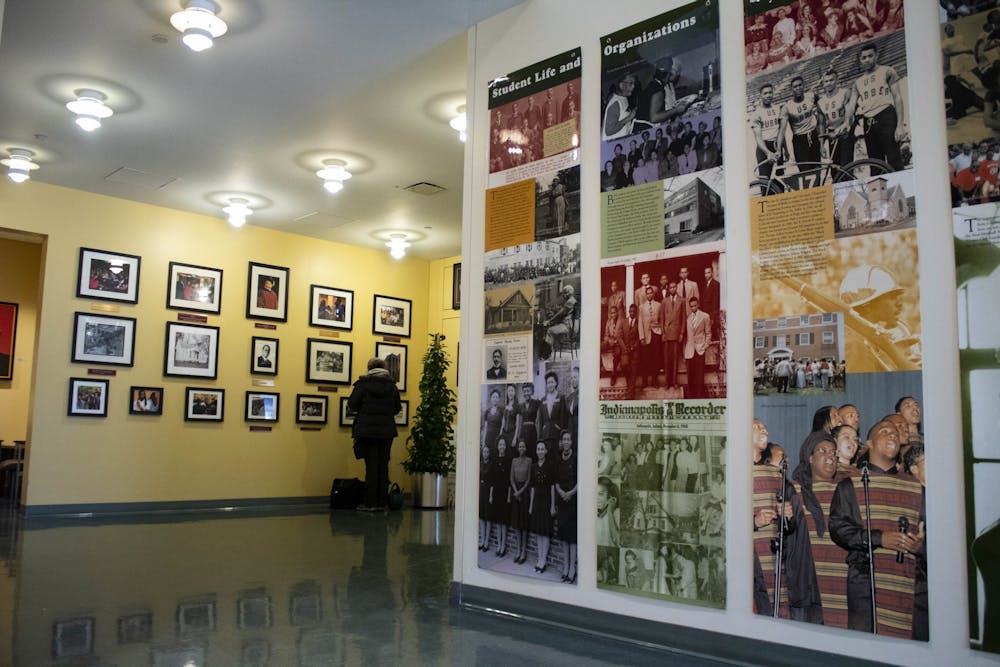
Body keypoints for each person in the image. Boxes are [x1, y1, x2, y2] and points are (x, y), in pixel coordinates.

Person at [829, 419, 924, 636]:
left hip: (911, 587)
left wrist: (921, 547)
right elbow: (839, 529)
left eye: (894, 433)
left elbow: (937, 536)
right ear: (869, 444)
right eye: (884, 431)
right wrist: (880, 539)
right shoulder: (850, 484)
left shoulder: (915, 486)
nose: (891, 435)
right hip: (866, 585)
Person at [789, 436, 846, 627]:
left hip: (842, 583)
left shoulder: (847, 490)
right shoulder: (795, 491)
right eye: (822, 451)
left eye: (833, 452)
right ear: (810, 458)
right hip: (809, 589)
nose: (830, 456)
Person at [347, 357, 402, 512]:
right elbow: (397, 408)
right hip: (387, 431)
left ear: (369, 368)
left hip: (367, 431)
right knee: (383, 465)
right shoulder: (392, 387)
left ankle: (370, 503)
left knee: (371, 466)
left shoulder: (362, 385)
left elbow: (352, 404)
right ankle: (382, 502)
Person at [851, 42, 907, 171]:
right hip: (868, 121)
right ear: (860, 60)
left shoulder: (887, 71)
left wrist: (900, 125)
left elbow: (897, 98)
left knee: (894, 159)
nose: (867, 59)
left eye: (870, 56)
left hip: (886, 115)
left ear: (876, 55)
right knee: (875, 164)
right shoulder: (857, 82)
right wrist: (846, 123)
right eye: (863, 57)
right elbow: (851, 105)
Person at [816, 68, 856, 173]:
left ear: (837, 80)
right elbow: (821, 124)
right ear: (823, 84)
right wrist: (821, 145)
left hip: (844, 132)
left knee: (846, 166)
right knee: (834, 169)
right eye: (826, 81)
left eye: (831, 80)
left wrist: (845, 128)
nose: (829, 83)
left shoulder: (845, 93)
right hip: (831, 134)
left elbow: (849, 113)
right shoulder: (821, 102)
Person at [779, 75, 821, 166]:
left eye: (800, 85)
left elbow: (822, 107)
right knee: (805, 171)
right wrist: (780, 149)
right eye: (795, 86)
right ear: (791, 89)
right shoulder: (787, 107)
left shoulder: (811, 96)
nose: (798, 88)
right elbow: (782, 131)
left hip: (813, 135)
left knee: (817, 167)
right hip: (799, 139)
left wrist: (819, 123)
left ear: (803, 85)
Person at [528, 441, 556, 573]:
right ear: (536, 451)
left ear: (546, 451)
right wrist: (531, 505)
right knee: (538, 532)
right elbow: (532, 487)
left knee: (545, 532)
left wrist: (552, 506)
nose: (540, 451)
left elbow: (552, 487)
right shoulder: (533, 466)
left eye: (542, 449)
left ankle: (543, 561)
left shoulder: (550, 466)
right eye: (538, 449)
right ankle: (539, 558)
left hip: (546, 501)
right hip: (537, 503)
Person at [555, 430, 578, 583]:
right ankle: (565, 566)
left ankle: (572, 569)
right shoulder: (558, 459)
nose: (566, 442)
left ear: (571, 442)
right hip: (561, 499)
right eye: (564, 439)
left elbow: (580, 480)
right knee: (563, 536)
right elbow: (555, 482)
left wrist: (570, 493)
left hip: (572, 500)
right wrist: (561, 492)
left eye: (568, 439)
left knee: (572, 537)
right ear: (561, 442)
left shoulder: (576, 458)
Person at [750, 83, 785, 178]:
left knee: (780, 179)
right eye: (765, 93)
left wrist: (784, 149)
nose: (768, 95)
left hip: (777, 146)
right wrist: (768, 153)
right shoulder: (756, 114)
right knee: (766, 182)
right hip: (764, 148)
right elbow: (758, 138)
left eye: (770, 92)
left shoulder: (777, 109)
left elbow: (781, 131)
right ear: (760, 95)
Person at [509, 439, 533, 564]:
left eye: (524, 446)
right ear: (518, 448)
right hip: (515, 492)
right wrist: (515, 491)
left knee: (524, 525)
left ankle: (523, 552)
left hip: (524, 494)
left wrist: (520, 492)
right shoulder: (514, 461)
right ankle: (518, 551)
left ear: (526, 448)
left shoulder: (529, 461)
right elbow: (511, 478)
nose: (522, 448)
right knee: (517, 526)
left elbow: (529, 479)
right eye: (520, 446)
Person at [684, 297, 711, 398]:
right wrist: (685, 350)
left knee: (699, 376)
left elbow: (708, 333)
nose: (693, 308)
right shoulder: (688, 318)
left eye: (695, 305)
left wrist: (705, 346)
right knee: (690, 376)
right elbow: (688, 336)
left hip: (700, 349)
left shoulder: (705, 316)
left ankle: (700, 396)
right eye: (691, 306)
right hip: (690, 350)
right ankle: (691, 397)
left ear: (698, 305)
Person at [660, 281, 685, 390]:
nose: (672, 289)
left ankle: (674, 382)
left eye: (674, 287)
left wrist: (681, 333)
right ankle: (667, 382)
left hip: (676, 333)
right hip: (667, 333)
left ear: (677, 288)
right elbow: (662, 319)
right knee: (666, 360)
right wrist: (663, 333)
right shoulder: (664, 301)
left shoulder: (682, 300)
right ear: (668, 289)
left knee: (675, 359)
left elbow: (683, 318)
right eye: (670, 287)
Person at [638, 285, 663, 388]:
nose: (649, 295)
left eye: (651, 293)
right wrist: (641, 337)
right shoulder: (641, 306)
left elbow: (662, 319)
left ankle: (654, 381)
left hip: (656, 334)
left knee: (655, 358)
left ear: (653, 294)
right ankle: (644, 381)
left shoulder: (659, 305)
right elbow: (640, 322)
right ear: (645, 294)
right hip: (646, 335)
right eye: (647, 293)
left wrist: (660, 331)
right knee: (645, 359)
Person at [490, 439, 511, 557]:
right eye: (500, 444)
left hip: (504, 494)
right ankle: (498, 545)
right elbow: (493, 480)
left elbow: (509, 481)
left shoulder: (508, 461)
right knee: (498, 522)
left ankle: (503, 546)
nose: (502, 446)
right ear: (497, 446)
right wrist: (491, 495)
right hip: (497, 493)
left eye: (504, 444)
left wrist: (508, 497)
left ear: (505, 446)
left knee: (503, 522)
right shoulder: (495, 460)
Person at [602, 74, 638, 141]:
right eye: (630, 83)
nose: (633, 86)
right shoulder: (616, 103)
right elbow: (609, 131)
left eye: (634, 83)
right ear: (622, 85)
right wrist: (629, 117)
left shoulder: (624, 98)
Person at [479, 444, 494, 552]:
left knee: (488, 518)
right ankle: (482, 540)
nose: (485, 454)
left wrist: (491, 495)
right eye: (484, 452)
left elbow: (493, 482)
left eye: (487, 452)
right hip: (481, 492)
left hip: (488, 492)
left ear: (489, 453)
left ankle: (487, 542)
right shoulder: (479, 464)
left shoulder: (491, 464)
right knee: (481, 517)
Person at [596, 476, 620, 546]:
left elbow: (617, 541)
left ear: (610, 497)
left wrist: (610, 512)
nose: (596, 498)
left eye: (600, 494)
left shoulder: (617, 513)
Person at [480, 388, 503, 453]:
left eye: (496, 397)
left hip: (497, 436)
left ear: (498, 399)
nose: (495, 399)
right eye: (493, 397)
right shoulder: (487, 411)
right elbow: (486, 427)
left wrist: (500, 437)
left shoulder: (501, 410)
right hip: (488, 437)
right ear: (491, 399)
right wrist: (484, 440)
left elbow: (502, 425)